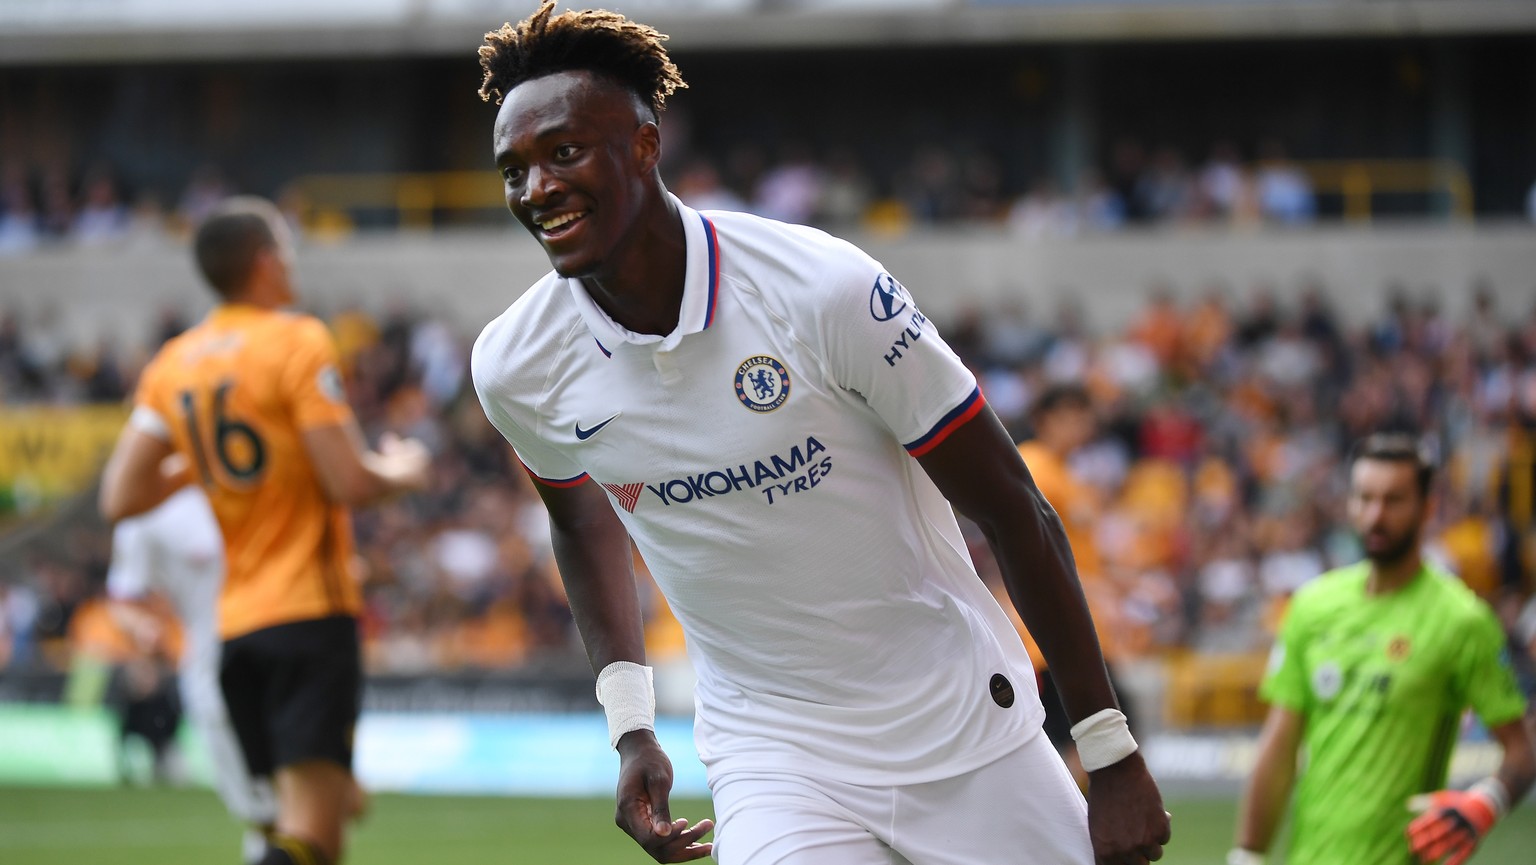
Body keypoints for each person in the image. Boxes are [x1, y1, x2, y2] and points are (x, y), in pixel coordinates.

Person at [469, 4, 1170, 864]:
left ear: (647, 146)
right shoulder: (516, 363)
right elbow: (580, 521)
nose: (536, 188)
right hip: (774, 755)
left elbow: (1013, 506)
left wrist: (1109, 749)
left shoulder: (822, 291)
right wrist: (632, 727)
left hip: (959, 729)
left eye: (564, 153)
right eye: (514, 170)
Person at [99, 196, 431, 865]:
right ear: (264, 259)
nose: (291, 260)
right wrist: (408, 465)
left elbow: (120, 494)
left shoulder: (175, 362)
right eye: (285, 247)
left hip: (234, 627)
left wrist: (194, 464)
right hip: (309, 612)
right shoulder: (296, 339)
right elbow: (351, 482)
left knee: (314, 824)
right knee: (308, 835)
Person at [1231, 433, 1535, 865]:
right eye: (1365, 498)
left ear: (1427, 507)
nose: (1376, 515)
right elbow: (1279, 746)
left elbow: (1522, 749)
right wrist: (1247, 855)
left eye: (1394, 500)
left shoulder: (1462, 620)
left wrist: (1486, 802)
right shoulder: (1312, 606)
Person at [106, 484, 278, 864]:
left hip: (292, 660)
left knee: (308, 809)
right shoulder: (148, 506)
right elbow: (122, 600)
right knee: (266, 813)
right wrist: (143, 631)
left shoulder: (257, 476)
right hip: (216, 674)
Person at [1014, 384, 1134, 784]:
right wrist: (1097, 591)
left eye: (1083, 415)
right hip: (1055, 633)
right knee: (1096, 736)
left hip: (1078, 627)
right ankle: (1075, 829)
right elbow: (1035, 548)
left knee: (1091, 739)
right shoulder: (1036, 464)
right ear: (1043, 420)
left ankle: (1074, 829)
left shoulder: (1068, 475)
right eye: (1066, 415)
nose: (1078, 425)